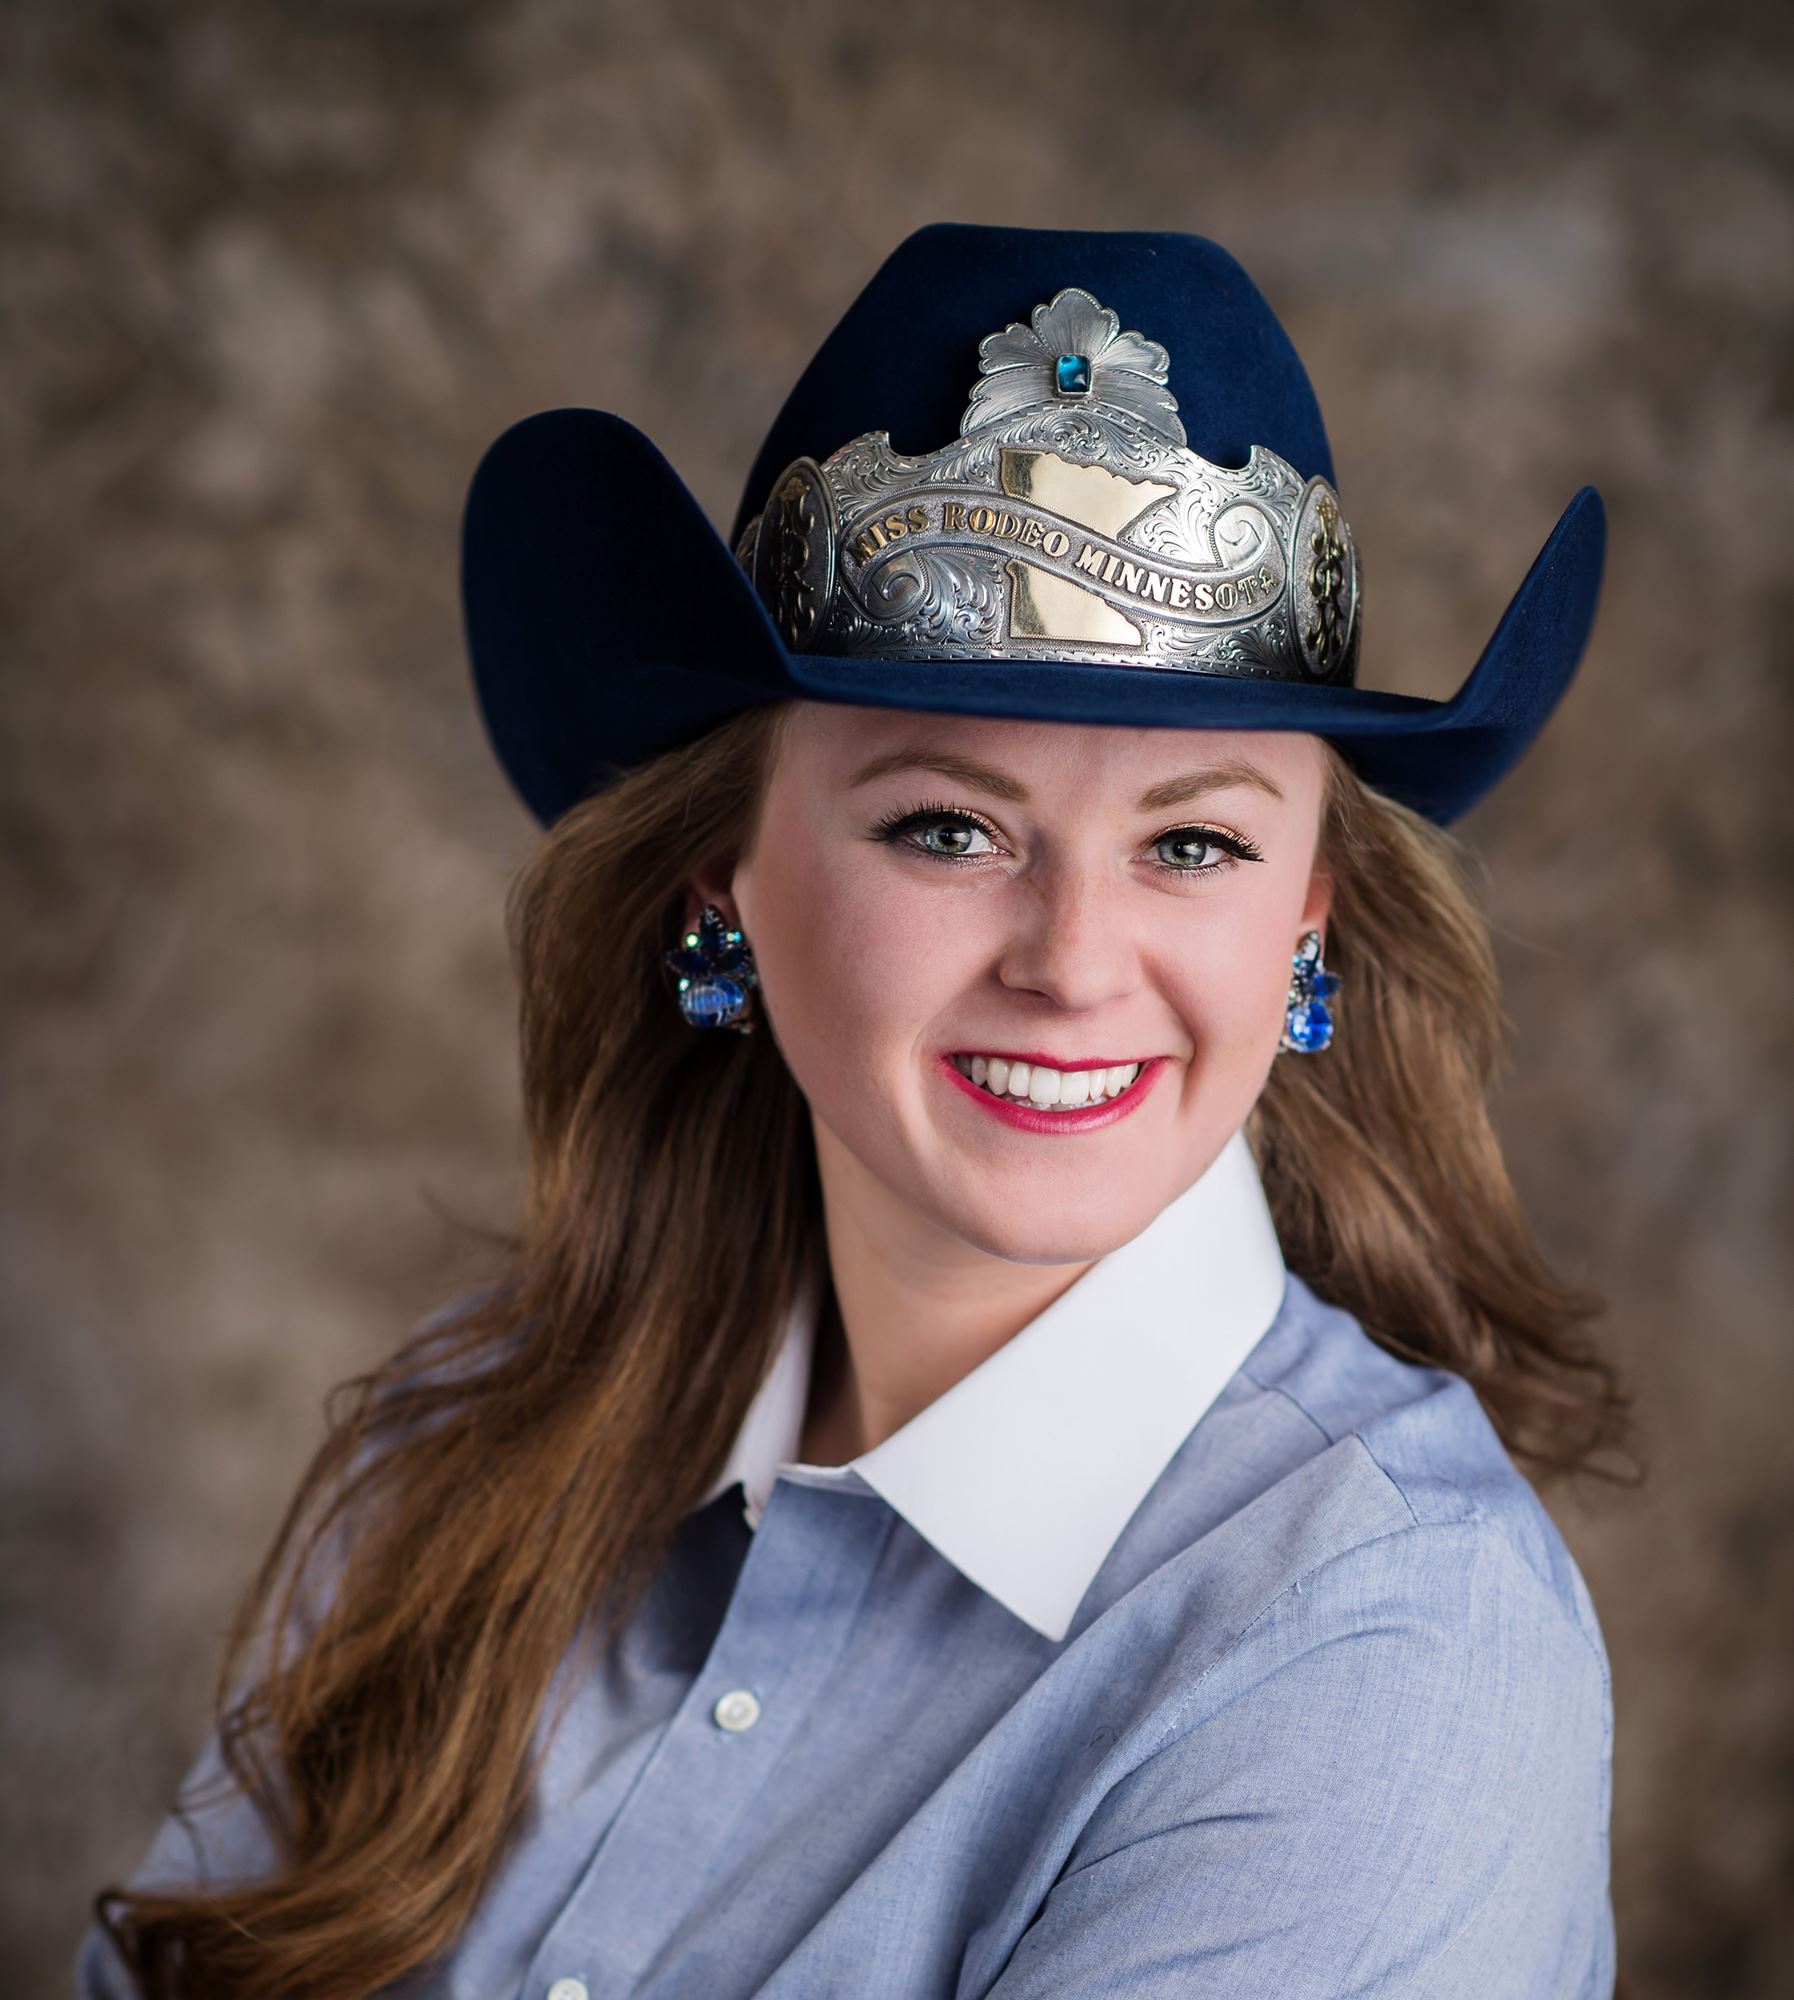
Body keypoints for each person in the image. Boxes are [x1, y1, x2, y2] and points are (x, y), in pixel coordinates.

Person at [81, 224, 1632, 1999]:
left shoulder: (1386, 1647)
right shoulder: (453, 1445)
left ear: (1307, 920)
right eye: (945, 828)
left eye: (1190, 844)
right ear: (716, 884)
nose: (1071, 961)